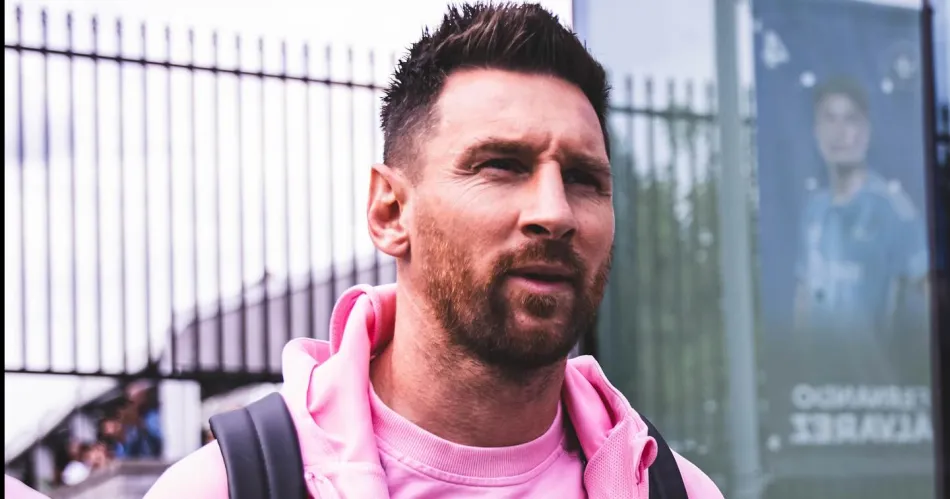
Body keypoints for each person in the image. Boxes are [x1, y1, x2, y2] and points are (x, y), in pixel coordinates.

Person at [145, 3, 723, 498]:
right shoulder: (224, 488)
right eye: (501, 166)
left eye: (583, 178)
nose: (555, 213)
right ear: (390, 212)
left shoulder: (675, 489)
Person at [794, 76, 928, 339]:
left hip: (872, 363)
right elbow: (804, 296)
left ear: (866, 132)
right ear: (816, 131)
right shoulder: (814, 210)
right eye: (829, 119)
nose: (839, 132)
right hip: (819, 362)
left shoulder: (892, 209)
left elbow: (929, 289)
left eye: (850, 119)